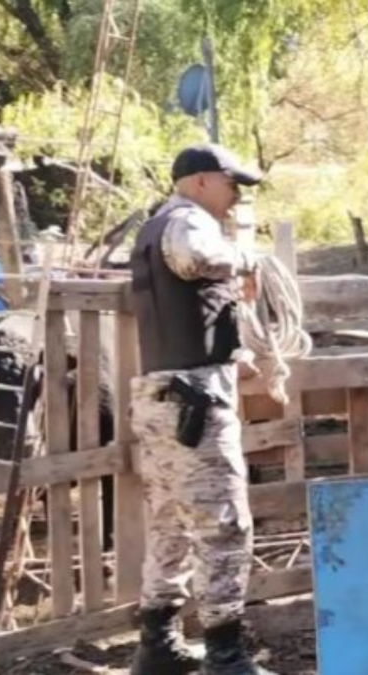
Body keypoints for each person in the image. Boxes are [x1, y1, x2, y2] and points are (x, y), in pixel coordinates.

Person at [128, 144, 273, 675]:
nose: (236, 196)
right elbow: (195, 258)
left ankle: (158, 647)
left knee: (168, 522)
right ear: (201, 181)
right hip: (194, 401)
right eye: (232, 184)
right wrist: (247, 258)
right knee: (223, 524)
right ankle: (225, 658)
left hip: (163, 396)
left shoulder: (153, 227)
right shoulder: (187, 222)